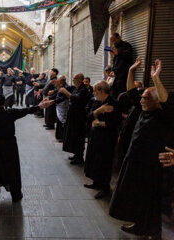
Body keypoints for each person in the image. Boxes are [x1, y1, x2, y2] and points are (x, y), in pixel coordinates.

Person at [109, 59, 173, 239]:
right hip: (135, 162)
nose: (142, 99)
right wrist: (130, 70)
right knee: (137, 197)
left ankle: (153, 232)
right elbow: (130, 92)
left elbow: (166, 101)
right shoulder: (143, 109)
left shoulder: (163, 116)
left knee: (149, 201)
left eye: (146, 97)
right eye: (142, 97)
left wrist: (156, 79)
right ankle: (139, 226)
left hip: (151, 167)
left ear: (156, 101)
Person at [0, 94, 54, 204]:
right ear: (4, 103)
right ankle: (16, 195)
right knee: (13, 168)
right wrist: (39, 106)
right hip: (10, 144)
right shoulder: (11, 113)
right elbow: (26, 110)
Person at [84, 81, 120, 199]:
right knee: (94, 159)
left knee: (104, 162)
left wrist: (101, 123)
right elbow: (89, 117)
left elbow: (116, 122)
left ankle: (105, 188)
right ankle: (96, 181)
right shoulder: (97, 102)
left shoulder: (114, 103)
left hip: (106, 139)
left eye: (95, 90)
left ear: (101, 91)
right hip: (95, 136)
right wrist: (99, 111)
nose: (93, 93)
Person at [61, 73, 92, 164]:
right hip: (73, 116)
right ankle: (76, 154)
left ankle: (79, 157)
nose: (73, 80)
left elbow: (76, 99)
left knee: (78, 137)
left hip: (79, 118)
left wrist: (66, 92)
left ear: (80, 80)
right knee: (73, 136)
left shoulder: (83, 90)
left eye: (75, 78)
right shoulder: (76, 88)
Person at [110, 33, 133, 98]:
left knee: (122, 94)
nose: (113, 42)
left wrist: (118, 53)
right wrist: (113, 70)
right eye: (112, 41)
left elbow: (128, 57)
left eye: (114, 40)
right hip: (116, 76)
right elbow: (115, 61)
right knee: (114, 94)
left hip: (124, 76)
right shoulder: (115, 48)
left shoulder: (126, 45)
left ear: (119, 37)